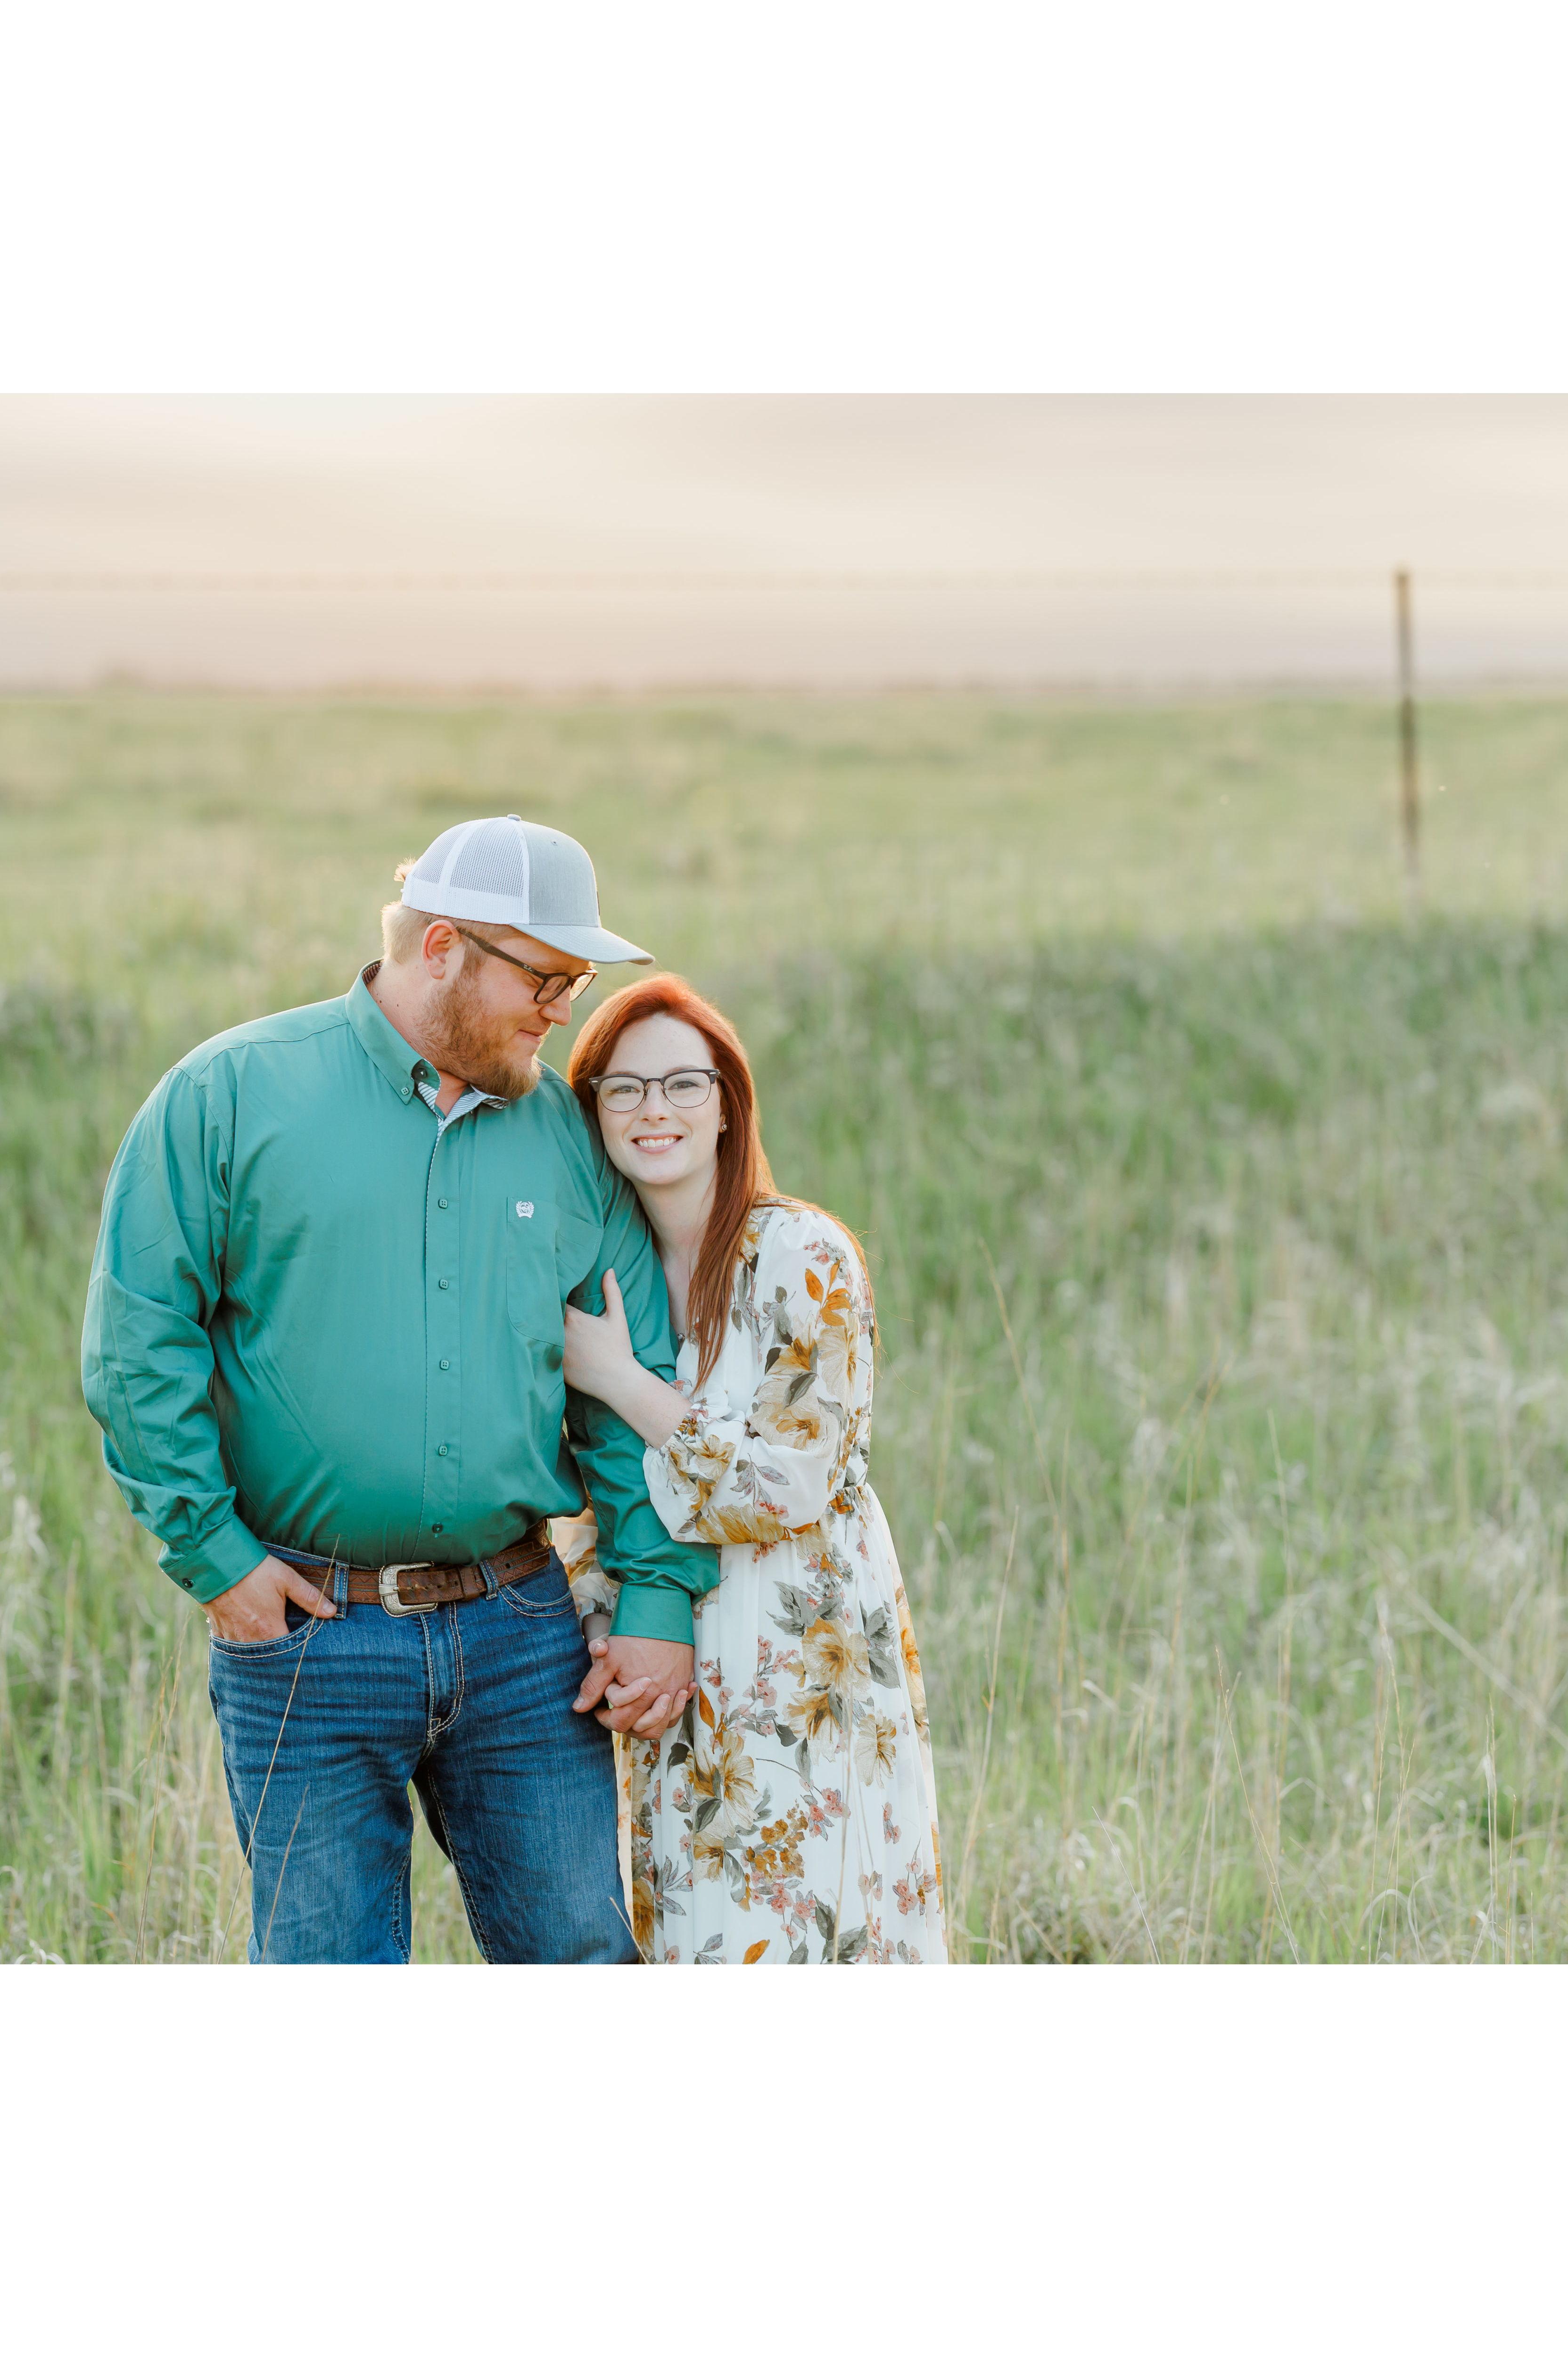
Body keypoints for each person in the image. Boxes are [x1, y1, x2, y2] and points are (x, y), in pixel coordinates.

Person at [80, 815, 710, 1963]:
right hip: (305, 1638)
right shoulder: (228, 1095)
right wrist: (217, 1559)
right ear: (441, 949)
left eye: (575, 983)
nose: (562, 1010)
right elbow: (138, 1343)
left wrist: (657, 1602)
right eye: (545, 978)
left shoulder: (566, 1139)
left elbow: (628, 1385)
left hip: (524, 1641)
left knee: (583, 1959)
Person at [561, 974, 949, 1964]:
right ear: (592, 1110)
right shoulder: (601, 1277)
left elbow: (791, 1484)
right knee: (703, 1934)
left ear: (728, 1105)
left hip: (802, 1658)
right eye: (623, 1088)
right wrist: (606, 1626)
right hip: (675, 1670)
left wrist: (620, 1379)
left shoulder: (802, 1253)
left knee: (818, 1929)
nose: (654, 1110)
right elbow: (589, 1491)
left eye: (683, 1084)